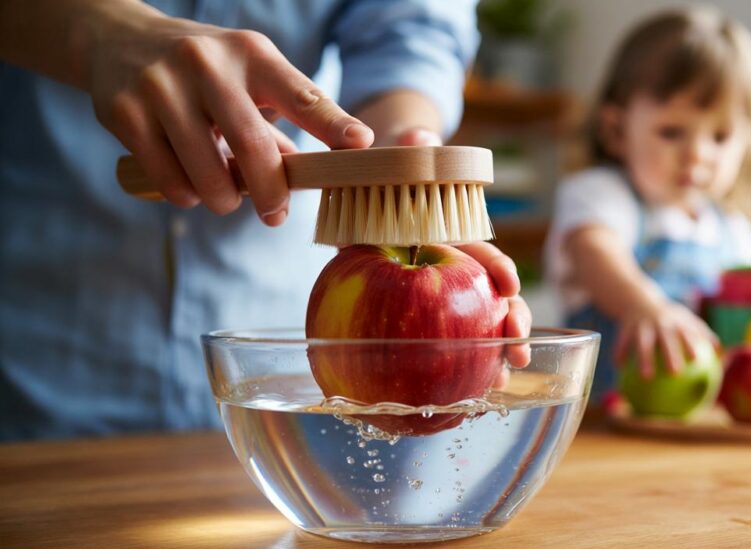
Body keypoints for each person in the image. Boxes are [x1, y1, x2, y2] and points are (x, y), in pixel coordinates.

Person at [0, 0, 531, 440]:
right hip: (33, 378)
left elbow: (409, 27)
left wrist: (404, 143)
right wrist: (99, 32)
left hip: (281, 403)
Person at [544, 6, 751, 403]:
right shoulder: (601, 194)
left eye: (719, 136)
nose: (697, 154)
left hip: (696, 426)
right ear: (616, 130)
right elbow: (593, 249)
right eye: (671, 132)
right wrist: (645, 306)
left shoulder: (732, 230)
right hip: (603, 426)